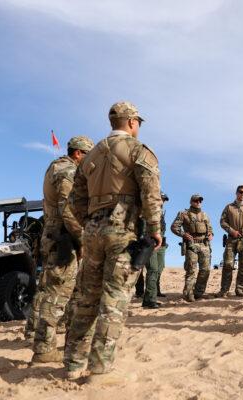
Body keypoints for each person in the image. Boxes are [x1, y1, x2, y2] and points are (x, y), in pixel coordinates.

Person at [65, 101, 162, 384]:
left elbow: (74, 200)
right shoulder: (137, 150)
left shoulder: (91, 154)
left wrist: (90, 221)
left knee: (87, 298)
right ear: (132, 122)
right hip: (123, 230)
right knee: (114, 300)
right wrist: (155, 228)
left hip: (93, 229)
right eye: (138, 123)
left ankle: (72, 364)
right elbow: (151, 193)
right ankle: (99, 369)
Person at [28, 136, 94, 364]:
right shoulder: (67, 171)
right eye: (87, 156)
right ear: (78, 153)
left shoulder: (54, 167)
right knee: (56, 295)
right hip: (63, 238)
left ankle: (46, 344)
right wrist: (83, 239)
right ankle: (44, 349)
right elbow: (68, 211)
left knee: (55, 291)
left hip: (55, 234)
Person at [215, 185, 243, 297]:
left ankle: (240, 289)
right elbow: (222, 221)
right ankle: (224, 290)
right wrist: (231, 231)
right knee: (227, 265)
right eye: (240, 192)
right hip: (231, 239)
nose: (242, 194)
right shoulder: (229, 207)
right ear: (236, 193)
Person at [171, 194, 214, 301]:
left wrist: (211, 234)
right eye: (196, 200)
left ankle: (198, 293)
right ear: (191, 201)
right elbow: (174, 227)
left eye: (200, 201)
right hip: (191, 244)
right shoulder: (183, 213)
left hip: (204, 245)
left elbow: (210, 229)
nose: (198, 202)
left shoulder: (205, 215)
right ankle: (188, 294)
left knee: (205, 270)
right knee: (191, 270)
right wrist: (183, 234)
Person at [140, 192, 169, 309]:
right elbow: (142, 228)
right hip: (150, 243)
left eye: (165, 200)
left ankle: (154, 293)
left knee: (159, 268)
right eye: (162, 199)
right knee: (152, 269)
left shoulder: (161, 213)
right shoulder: (147, 211)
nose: (163, 202)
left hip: (161, 244)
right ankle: (149, 299)